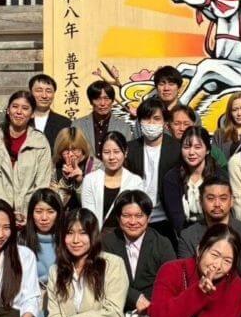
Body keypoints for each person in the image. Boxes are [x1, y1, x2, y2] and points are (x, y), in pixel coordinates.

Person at [0, 90, 53, 228]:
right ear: (8, 110)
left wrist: (26, 212)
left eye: (25, 108)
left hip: (27, 214)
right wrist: (6, 212)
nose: (19, 112)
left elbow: (41, 183)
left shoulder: (40, 142)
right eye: (15, 106)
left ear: (32, 114)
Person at [177, 177, 241, 285]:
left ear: (232, 201)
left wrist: (230, 293)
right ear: (201, 201)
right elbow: (186, 277)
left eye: (223, 198)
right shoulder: (188, 236)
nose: (217, 204)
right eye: (210, 198)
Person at [101, 190, 176, 313]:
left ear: (148, 218)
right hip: (115, 309)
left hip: (153, 309)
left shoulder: (162, 244)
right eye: (126, 216)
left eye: (139, 216)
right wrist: (135, 298)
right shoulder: (107, 243)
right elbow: (105, 279)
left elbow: (171, 282)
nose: (132, 222)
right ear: (118, 218)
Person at [126, 97, 181, 244]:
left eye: (156, 119)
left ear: (165, 122)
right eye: (146, 118)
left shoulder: (176, 149)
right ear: (139, 121)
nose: (151, 124)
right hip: (136, 218)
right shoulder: (130, 149)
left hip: (166, 218)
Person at [161, 126, 225, 233]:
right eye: (186, 147)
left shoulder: (219, 176)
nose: (191, 152)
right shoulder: (172, 178)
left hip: (217, 232)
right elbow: (176, 219)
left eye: (197, 147)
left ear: (207, 150)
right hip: (185, 235)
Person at [80, 131, 144, 229]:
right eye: (106, 152)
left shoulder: (136, 182)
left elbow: (136, 214)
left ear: (125, 152)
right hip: (97, 234)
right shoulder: (90, 180)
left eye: (116, 152)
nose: (111, 157)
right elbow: (89, 216)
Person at [71, 80, 132, 156]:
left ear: (112, 100)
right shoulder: (78, 125)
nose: (102, 103)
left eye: (106, 98)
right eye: (97, 99)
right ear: (91, 101)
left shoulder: (123, 127)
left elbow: (127, 155)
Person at [20, 188, 64, 294]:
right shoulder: (21, 241)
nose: (44, 218)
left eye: (50, 212)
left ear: (58, 214)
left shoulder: (67, 240)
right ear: (31, 213)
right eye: (38, 212)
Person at [50, 126, 99, 209]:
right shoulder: (54, 166)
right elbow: (54, 206)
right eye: (66, 150)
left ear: (83, 149)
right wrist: (65, 181)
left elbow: (91, 206)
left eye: (75, 149)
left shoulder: (95, 167)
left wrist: (80, 181)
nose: (70, 154)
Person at [29, 73, 72, 149]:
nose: (44, 96)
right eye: (39, 90)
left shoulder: (65, 123)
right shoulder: (23, 120)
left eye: (48, 91)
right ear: (31, 93)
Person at [212, 91, 241, 161]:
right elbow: (215, 161)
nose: (239, 113)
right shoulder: (219, 134)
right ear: (230, 112)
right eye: (235, 110)